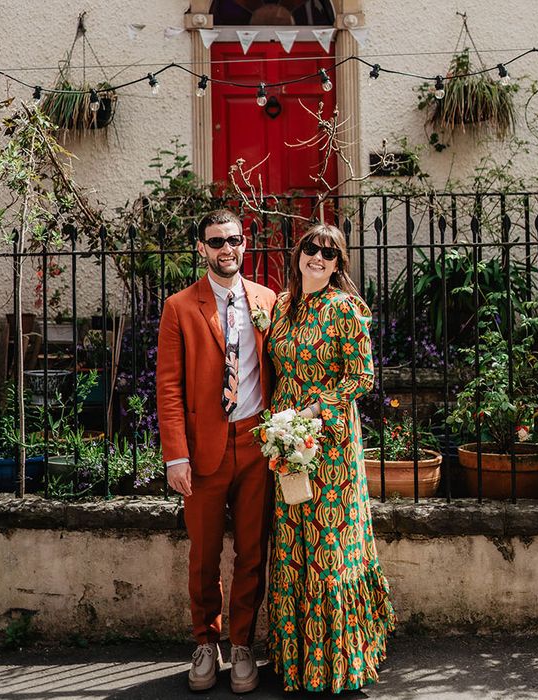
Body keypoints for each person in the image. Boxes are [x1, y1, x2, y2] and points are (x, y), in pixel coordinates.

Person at [266, 223, 396, 693]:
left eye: (328, 253)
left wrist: (316, 408)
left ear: (339, 263)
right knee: (292, 541)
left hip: (331, 444)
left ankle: (338, 662)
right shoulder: (281, 307)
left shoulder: (347, 310)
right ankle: (297, 659)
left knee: (328, 547)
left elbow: (362, 376)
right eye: (310, 249)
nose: (317, 258)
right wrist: (282, 426)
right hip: (285, 441)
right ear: (298, 255)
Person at [156, 209, 277, 694]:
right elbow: (167, 387)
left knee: (252, 551)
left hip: (256, 444)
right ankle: (207, 641)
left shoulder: (269, 300)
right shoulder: (180, 307)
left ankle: (243, 643)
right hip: (203, 448)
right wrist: (175, 456)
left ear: (244, 244)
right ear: (201, 248)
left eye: (234, 239)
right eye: (216, 241)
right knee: (204, 555)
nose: (227, 248)